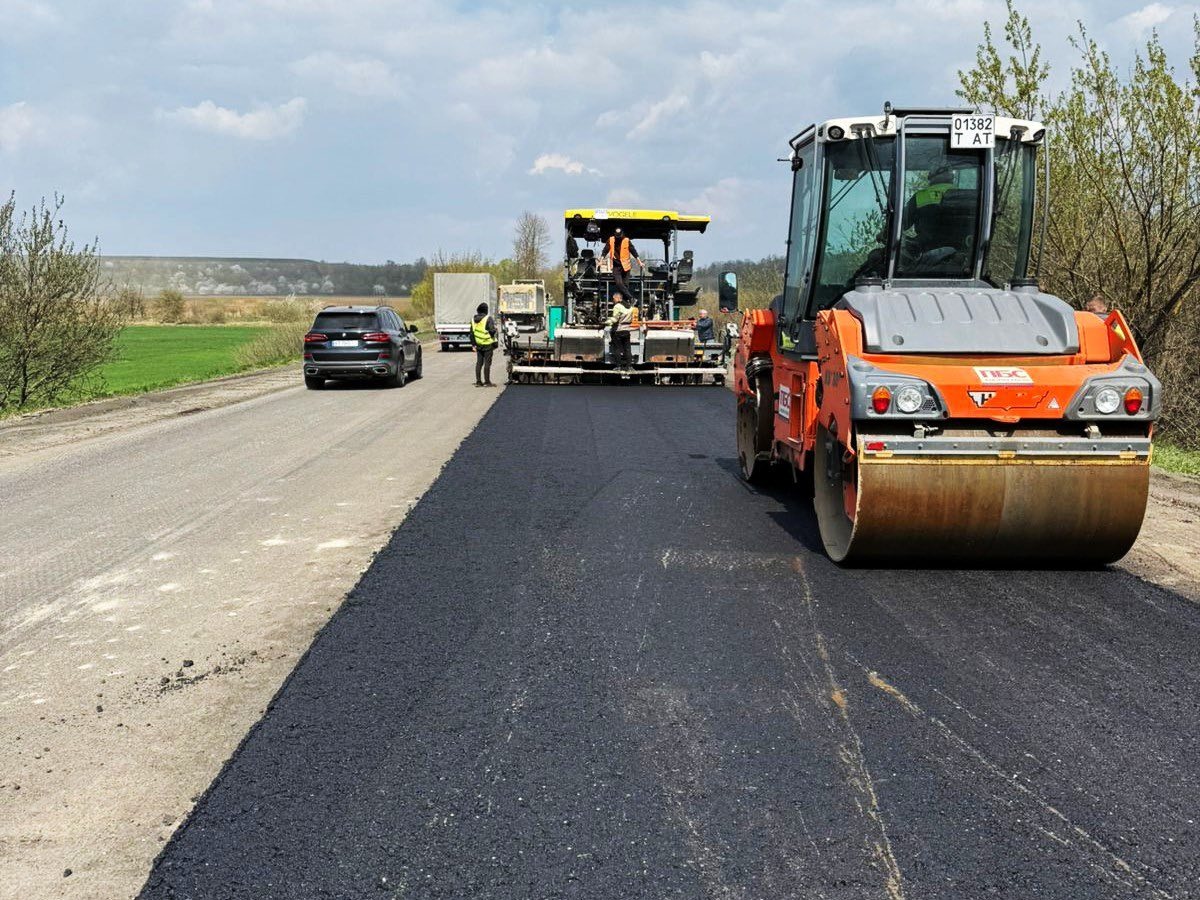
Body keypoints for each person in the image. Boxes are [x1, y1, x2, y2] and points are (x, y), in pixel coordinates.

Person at [602, 227, 648, 304]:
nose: (618, 238)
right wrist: (601, 260)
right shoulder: (611, 240)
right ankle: (631, 298)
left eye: (619, 236)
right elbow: (605, 251)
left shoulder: (626, 240)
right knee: (619, 283)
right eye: (617, 236)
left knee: (625, 285)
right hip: (616, 266)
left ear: (622, 234)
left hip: (626, 267)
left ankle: (624, 303)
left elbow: (633, 251)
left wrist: (639, 262)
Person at [470, 302, 498, 386]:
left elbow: (471, 333)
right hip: (488, 344)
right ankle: (487, 382)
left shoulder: (473, 320)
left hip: (478, 345)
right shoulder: (488, 318)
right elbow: (492, 331)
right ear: (486, 310)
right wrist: (495, 330)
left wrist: (473, 345)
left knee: (479, 363)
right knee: (487, 363)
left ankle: (478, 381)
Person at [605, 291, 634, 369]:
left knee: (617, 349)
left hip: (618, 330)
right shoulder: (630, 307)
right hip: (627, 330)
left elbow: (615, 319)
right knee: (627, 349)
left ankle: (618, 366)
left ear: (617, 298)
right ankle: (629, 366)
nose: (613, 300)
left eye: (613, 298)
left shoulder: (617, 306)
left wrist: (606, 322)